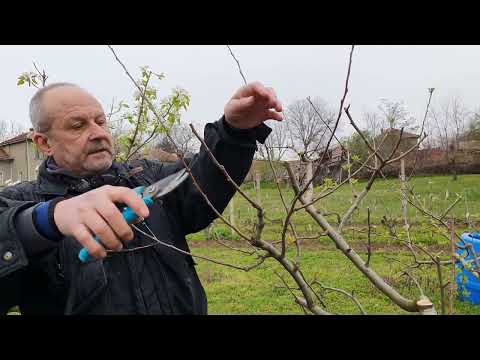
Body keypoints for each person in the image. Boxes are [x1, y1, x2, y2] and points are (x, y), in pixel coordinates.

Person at [0, 81, 283, 315]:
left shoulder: (147, 177)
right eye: (78, 126)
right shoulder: (23, 200)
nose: (98, 133)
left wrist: (234, 132)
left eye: (100, 121)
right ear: (44, 143)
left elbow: (200, 182)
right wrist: (47, 220)